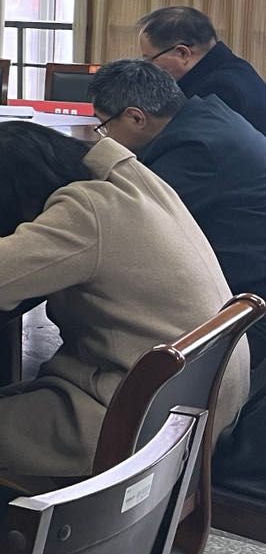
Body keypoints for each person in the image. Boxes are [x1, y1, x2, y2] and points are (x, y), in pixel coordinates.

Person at [0, 121, 248, 484]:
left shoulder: (85, 209)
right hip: (203, 402)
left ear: (16, 196)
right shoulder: (133, 181)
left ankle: (63, 508)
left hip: (140, 418)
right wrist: (17, 246)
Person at [90, 58, 266, 495]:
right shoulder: (204, 114)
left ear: (136, 117)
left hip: (246, 302)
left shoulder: (195, 150)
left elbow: (126, 221)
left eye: (104, 126)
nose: (103, 137)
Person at [139, 5, 266, 136]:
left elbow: (191, 144)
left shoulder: (219, 91)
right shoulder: (237, 69)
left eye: (149, 60)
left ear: (183, 54)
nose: (148, 69)